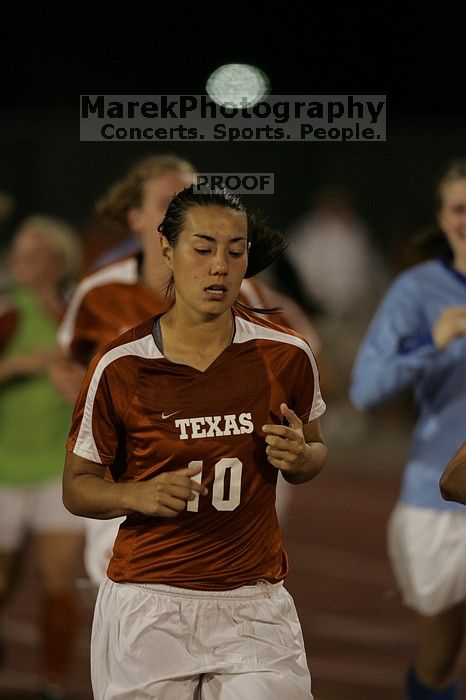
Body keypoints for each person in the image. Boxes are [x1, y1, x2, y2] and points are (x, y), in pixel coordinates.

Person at [62, 185, 327, 699]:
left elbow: (314, 452)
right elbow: (77, 487)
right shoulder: (120, 364)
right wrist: (134, 494)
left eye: (236, 250)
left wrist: (301, 458)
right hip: (148, 601)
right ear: (167, 250)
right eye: (202, 249)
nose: (221, 267)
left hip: (253, 602)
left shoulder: (286, 355)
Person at [350, 157, 466, 700]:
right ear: (443, 218)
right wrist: (430, 344)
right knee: (442, 658)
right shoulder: (418, 291)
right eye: (459, 208)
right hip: (442, 496)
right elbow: (366, 389)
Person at [0, 216, 84, 700]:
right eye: (16, 252)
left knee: (58, 584)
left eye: (30, 253)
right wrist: (17, 366)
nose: (19, 262)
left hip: (60, 467)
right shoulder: (9, 312)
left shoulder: (82, 312)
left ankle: (52, 683)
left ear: (58, 261)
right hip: (5, 469)